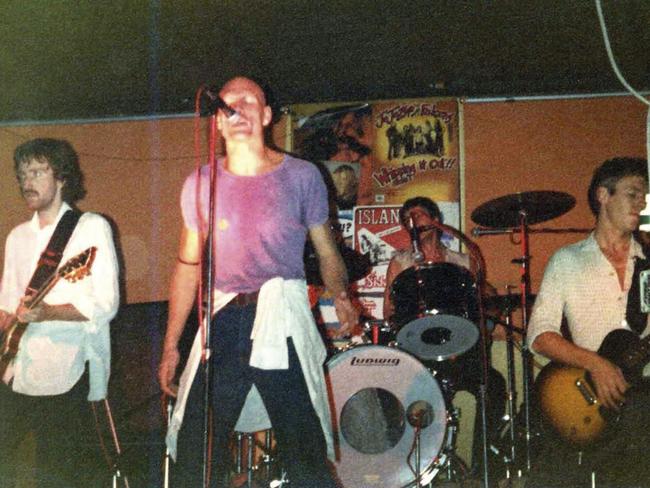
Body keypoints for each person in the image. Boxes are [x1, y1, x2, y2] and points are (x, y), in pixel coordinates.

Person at [158, 77, 358, 487]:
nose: (237, 109)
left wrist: (341, 295)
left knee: (304, 449)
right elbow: (186, 266)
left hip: (279, 320)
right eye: (227, 104)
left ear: (267, 115)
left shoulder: (302, 176)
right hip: (224, 321)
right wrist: (171, 346)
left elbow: (326, 252)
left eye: (248, 101)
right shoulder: (200, 183)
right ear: (217, 122)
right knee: (197, 449)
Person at [0, 138, 120, 488]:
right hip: (16, 368)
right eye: (23, 174)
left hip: (65, 371)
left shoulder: (90, 228)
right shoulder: (17, 237)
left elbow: (105, 303)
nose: (27, 181)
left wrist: (49, 312)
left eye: (37, 172)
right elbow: (8, 306)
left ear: (62, 177)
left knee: (55, 474)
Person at [526, 157, 650, 487]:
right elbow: (539, 336)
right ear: (602, 196)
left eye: (645, 197)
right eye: (633, 194)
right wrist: (596, 365)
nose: (642, 203)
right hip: (584, 395)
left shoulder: (648, 261)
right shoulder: (567, 260)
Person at [382, 196, 507, 478]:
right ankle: (404, 473)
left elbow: (485, 303)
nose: (413, 221)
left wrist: (485, 319)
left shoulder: (462, 262)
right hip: (417, 354)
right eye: (407, 218)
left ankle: (481, 469)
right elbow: (388, 311)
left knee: (494, 384)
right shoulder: (400, 263)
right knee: (389, 393)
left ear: (436, 220)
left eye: (419, 214)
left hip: (458, 352)